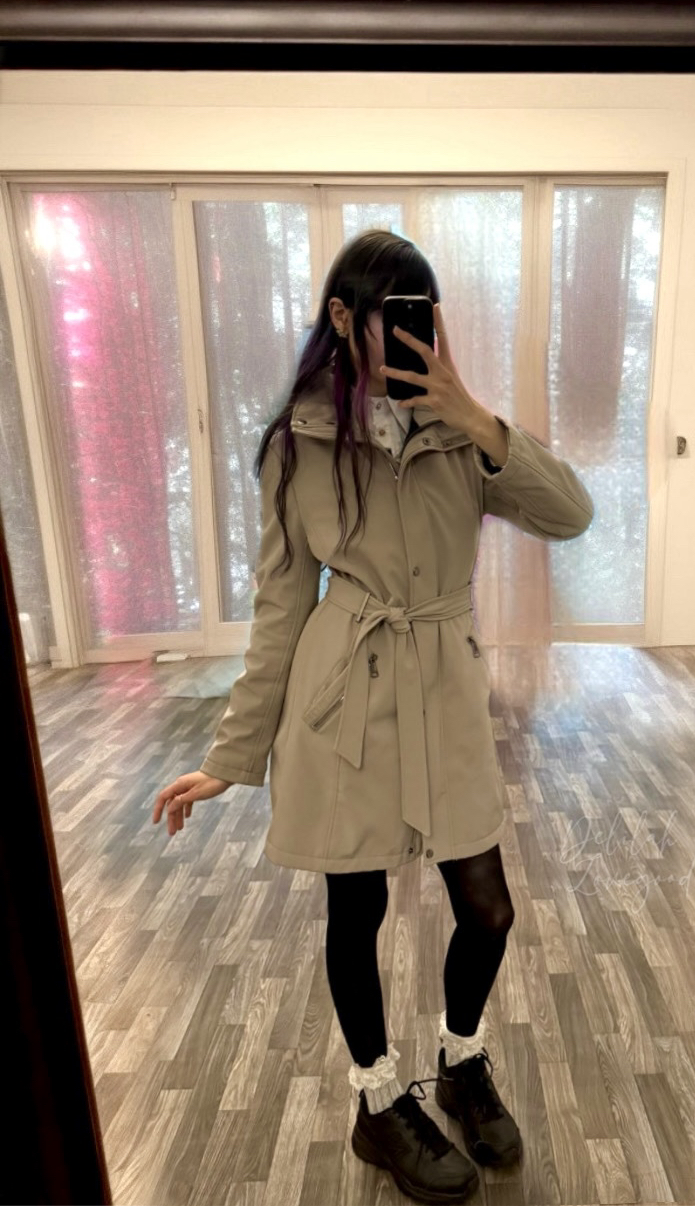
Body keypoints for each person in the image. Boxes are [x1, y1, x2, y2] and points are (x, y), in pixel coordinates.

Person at [152, 229, 594, 1204]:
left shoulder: (461, 434)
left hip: (444, 690)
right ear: (343, 318)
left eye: (421, 316)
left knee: (488, 906)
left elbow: (571, 513)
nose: (407, 335)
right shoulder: (297, 444)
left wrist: (479, 419)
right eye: (390, 316)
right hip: (342, 696)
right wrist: (232, 755)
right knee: (355, 911)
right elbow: (280, 607)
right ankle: (378, 1099)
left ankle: (462, 1058)